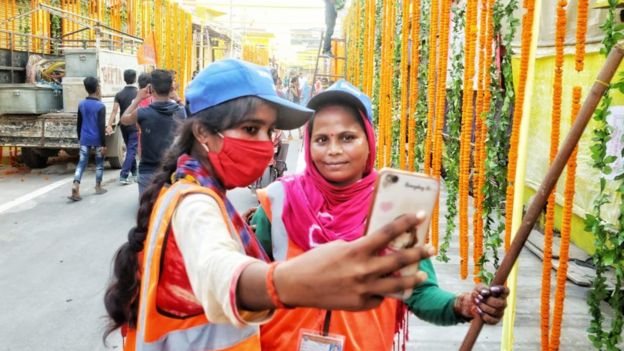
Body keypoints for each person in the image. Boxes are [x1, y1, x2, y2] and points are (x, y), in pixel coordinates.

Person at [103, 59, 434, 350]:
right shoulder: (195, 204)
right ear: (204, 132)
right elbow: (218, 269)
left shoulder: (207, 196)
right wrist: (292, 283)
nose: (265, 145)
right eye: (251, 129)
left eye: (269, 131)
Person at [251, 80, 509, 351]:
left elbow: (418, 291)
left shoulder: (394, 207)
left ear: (369, 140)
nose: (333, 150)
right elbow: (244, 286)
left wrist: (462, 305)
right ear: (309, 144)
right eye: (322, 139)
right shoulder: (278, 201)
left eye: (347, 137)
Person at [120, 69, 186, 196]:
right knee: (169, 212)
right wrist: (176, 97)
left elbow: (123, 119)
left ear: (151, 89)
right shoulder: (180, 112)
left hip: (147, 173)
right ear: (171, 88)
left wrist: (138, 99)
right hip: (171, 172)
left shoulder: (142, 113)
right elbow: (191, 116)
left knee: (147, 213)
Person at [68, 76, 107, 201]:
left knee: (81, 163)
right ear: (97, 88)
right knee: (99, 164)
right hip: (97, 139)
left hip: (85, 138)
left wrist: (80, 137)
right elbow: (101, 127)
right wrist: (104, 144)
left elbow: (79, 123)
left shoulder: (81, 104)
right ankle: (98, 186)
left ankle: (76, 185)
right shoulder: (100, 106)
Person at [106, 69, 139, 185]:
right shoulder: (139, 93)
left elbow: (114, 111)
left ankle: (135, 173)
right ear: (135, 79)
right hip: (135, 125)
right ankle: (124, 175)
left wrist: (109, 124)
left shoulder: (119, 94)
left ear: (124, 79)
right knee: (131, 150)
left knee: (131, 149)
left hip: (123, 125)